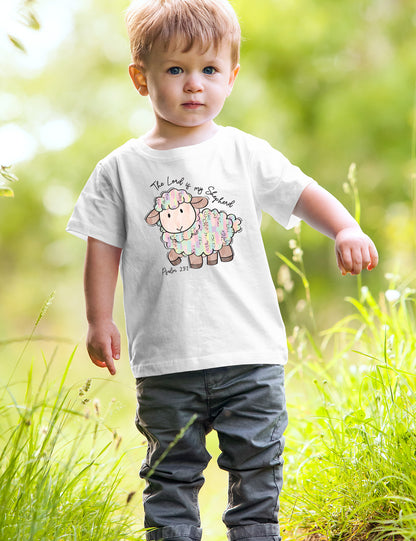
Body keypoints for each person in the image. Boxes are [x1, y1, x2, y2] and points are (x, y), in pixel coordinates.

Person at [66, 0, 378, 540]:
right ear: (141, 79)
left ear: (231, 77)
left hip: (249, 354)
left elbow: (301, 192)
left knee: (257, 473)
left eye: (209, 69)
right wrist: (99, 319)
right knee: (169, 477)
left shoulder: (243, 152)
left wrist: (345, 228)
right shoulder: (119, 169)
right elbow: (102, 246)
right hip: (166, 362)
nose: (194, 84)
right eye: (175, 69)